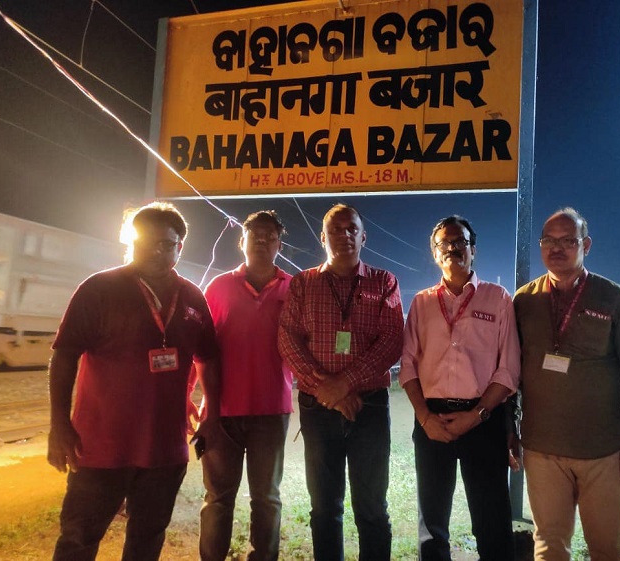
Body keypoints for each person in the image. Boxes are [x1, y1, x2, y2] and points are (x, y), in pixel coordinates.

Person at [47, 201, 217, 561]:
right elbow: (64, 355)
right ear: (130, 241)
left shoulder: (192, 297)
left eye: (166, 244)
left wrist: (211, 413)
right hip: (98, 446)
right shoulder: (99, 289)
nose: (156, 250)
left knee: (147, 540)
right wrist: (59, 424)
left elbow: (208, 357)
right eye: (145, 242)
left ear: (179, 248)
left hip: (165, 451)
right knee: (79, 538)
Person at [514, 207, 620, 561]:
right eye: (548, 240)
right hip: (542, 450)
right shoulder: (523, 301)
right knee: (548, 545)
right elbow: (507, 370)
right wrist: (506, 429)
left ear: (586, 245)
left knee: (607, 549)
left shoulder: (614, 299)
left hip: (604, 452)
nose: (556, 248)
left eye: (568, 241)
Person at [278, 203, 404, 561]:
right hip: (318, 408)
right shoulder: (303, 283)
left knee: (372, 506)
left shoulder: (385, 282)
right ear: (322, 237)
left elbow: (392, 340)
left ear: (364, 237)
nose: (344, 235)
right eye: (335, 229)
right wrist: (325, 389)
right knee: (324, 507)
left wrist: (343, 383)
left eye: (352, 229)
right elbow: (288, 339)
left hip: (370, 406)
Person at [399, 215, 521, 561]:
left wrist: (477, 414)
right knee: (432, 525)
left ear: (473, 250)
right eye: (444, 244)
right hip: (432, 421)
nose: (452, 248)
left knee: (491, 520)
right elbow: (407, 365)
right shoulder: (421, 303)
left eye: (460, 242)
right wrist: (424, 416)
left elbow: (508, 369)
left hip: (483, 420)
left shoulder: (498, 299)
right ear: (435, 254)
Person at [197, 210, 293, 561]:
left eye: (271, 237)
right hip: (221, 413)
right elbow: (202, 348)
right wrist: (192, 400)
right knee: (218, 499)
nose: (263, 242)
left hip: (272, 411)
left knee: (266, 498)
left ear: (280, 244)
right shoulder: (218, 288)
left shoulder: (293, 288)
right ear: (242, 242)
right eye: (256, 235)